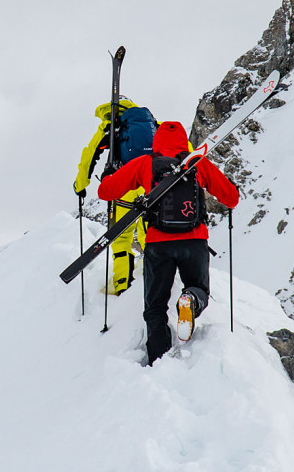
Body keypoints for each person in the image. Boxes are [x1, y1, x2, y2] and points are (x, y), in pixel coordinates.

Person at [97, 121, 239, 365]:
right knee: (199, 288)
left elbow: (106, 192)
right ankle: (191, 301)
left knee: (155, 307)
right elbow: (232, 198)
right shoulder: (197, 162)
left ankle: (159, 361)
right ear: (184, 141)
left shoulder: (144, 164)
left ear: (156, 142)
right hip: (194, 241)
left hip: (158, 243)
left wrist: (109, 175)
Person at [74, 99, 156, 295]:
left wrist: (80, 185)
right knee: (149, 232)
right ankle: (152, 277)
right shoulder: (152, 124)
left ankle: (122, 283)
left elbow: (89, 155)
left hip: (124, 184)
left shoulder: (109, 127)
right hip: (149, 182)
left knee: (121, 236)